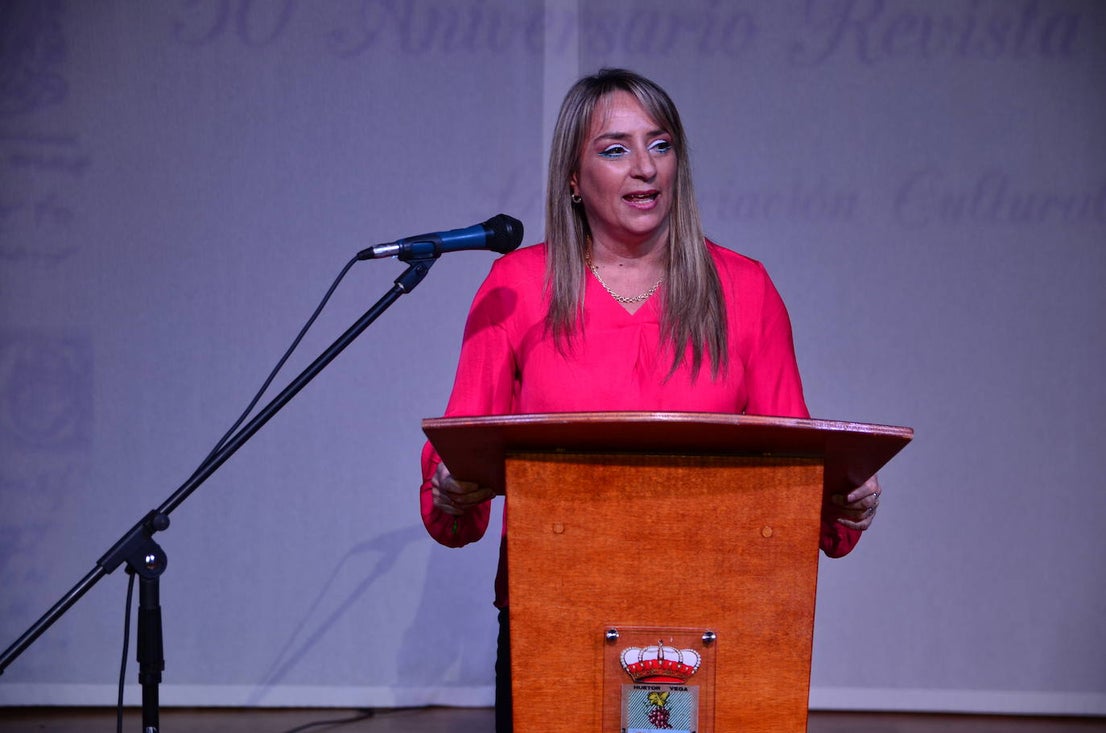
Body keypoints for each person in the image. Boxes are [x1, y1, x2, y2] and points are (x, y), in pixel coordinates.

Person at [418, 68, 881, 733]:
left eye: (659, 145)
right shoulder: (518, 286)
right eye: (615, 148)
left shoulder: (744, 289)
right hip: (554, 619)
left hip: (718, 617)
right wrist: (450, 488)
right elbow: (458, 455)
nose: (644, 168)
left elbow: (796, 462)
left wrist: (838, 498)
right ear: (573, 179)